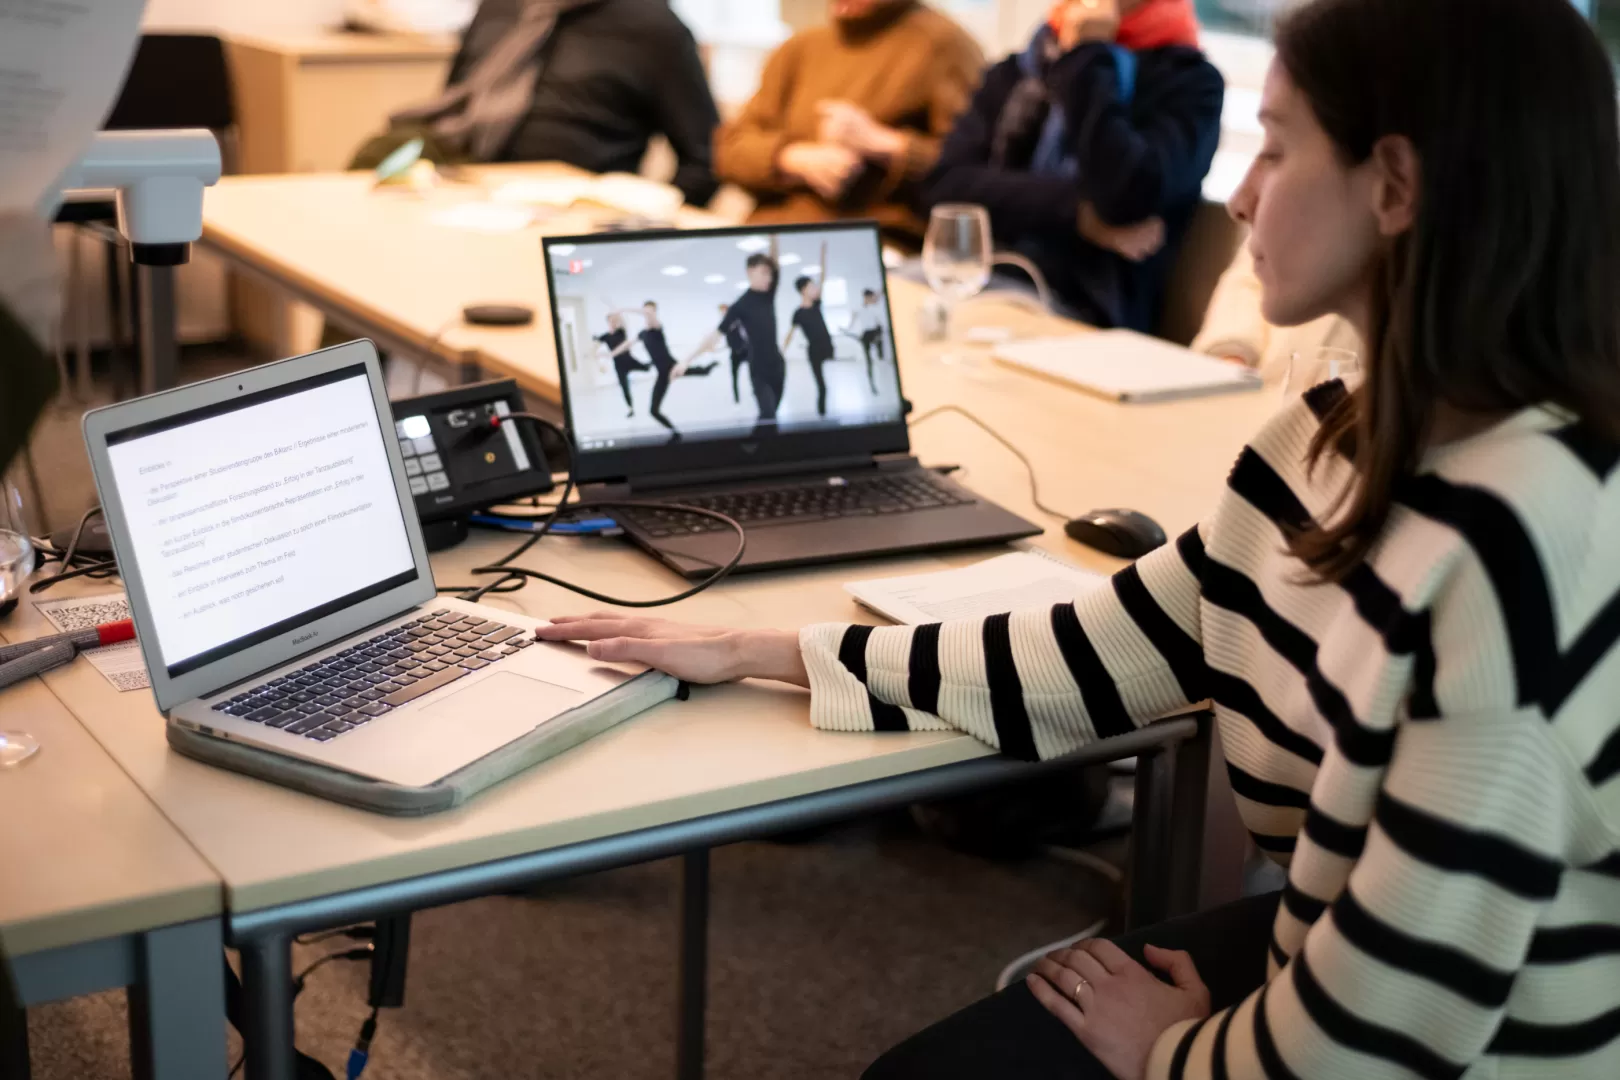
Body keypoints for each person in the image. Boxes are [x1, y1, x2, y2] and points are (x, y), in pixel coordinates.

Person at [536, 2, 1620, 1078]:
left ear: (1395, 186)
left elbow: (1385, 1047)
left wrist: (1176, 1053)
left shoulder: (1522, 553)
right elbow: (1102, 649)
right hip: (1333, 967)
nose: (1239, 200)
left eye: (1276, 151)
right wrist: (770, 651)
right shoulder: (1327, 433)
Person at [925, 0, 1223, 331]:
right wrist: (1078, 212)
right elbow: (945, 188)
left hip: (1087, 310)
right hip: (982, 275)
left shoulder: (1191, 83)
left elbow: (1125, 196)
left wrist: (1086, 57)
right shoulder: (1025, 65)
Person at [363, 0, 721, 206]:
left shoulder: (652, 27)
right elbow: (453, 105)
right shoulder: (501, 9)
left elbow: (706, 159)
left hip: (568, 210)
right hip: (465, 190)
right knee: (375, 169)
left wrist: (643, 227)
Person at [713, 0, 983, 245]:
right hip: (770, 235)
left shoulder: (944, 47)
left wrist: (885, 145)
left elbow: (975, 173)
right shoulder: (800, 48)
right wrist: (791, 158)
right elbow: (728, 149)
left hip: (876, 243)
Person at [1192, 246, 1361, 381]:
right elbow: (1249, 281)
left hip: (1350, 405)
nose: (1237, 207)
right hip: (1260, 382)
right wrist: (1233, 353)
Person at [687, 241, 785, 429]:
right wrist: (686, 361)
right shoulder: (740, 306)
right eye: (764, 273)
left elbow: (775, 262)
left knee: (772, 415)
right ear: (750, 272)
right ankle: (754, 449)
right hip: (759, 371)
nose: (769, 278)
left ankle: (762, 445)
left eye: (770, 274)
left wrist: (774, 235)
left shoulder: (769, 294)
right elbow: (715, 335)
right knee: (768, 414)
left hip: (778, 366)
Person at [633, 301, 714, 440]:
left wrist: (622, 310)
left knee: (699, 372)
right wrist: (608, 355)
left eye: (651, 311)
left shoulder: (657, 328)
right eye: (645, 311)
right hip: (662, 374)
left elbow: (652, 319)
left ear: (655, 313)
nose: (648, 314)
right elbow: (626, 344)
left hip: (673, 366)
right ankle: (674, 432)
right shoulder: (642, 334)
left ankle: (709, 366)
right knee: (653, 411)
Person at [785, 275, 836, 417]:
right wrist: (781, 351)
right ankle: (822, 415)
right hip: (814, 351)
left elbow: (823, 277)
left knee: (830, 382)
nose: (814, 289)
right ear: (803, 290)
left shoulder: (817, 303)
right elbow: (790, 333)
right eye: (810, 287)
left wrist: (823, 254)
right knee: (822, 386)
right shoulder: (798, 313)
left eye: (814, 286)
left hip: (827, 346)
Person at [595, 312, 650, 417]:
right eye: (612, 320)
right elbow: (594, 349)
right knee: (624, 387)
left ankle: (652, 363)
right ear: (608, 322)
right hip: (619, 366)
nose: (614, 322)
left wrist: (616, 311)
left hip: (629, 360)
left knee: (646, 368)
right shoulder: (605, 336)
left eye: (615, 320)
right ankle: (631, 409)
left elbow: (624, 322)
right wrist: (600, 363)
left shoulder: (621, 332)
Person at [848, 288, 886, 394]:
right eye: (870, 297)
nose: (872, 299)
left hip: (875, 332)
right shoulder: (858, 308)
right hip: (866, 334)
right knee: (869, 361)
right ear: (866, 297)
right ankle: (872, 385)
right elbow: (852, 321)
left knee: (880, 356)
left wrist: (879, 334)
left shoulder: (874, 308)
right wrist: (847, 329)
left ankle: (881, 362)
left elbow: (880, 323)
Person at [719, 303, 751, 404]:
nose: (722, 313)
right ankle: (736, 399)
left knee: (755, 372)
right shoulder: (724, 325)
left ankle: (758, 392)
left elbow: (745, 336)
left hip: (745, 351)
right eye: (721, 311)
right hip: (734, 354)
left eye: (724, 310)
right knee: (734, 376)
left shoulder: (738, 322)